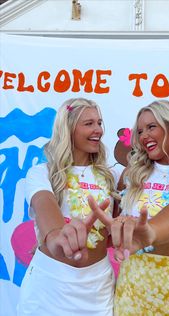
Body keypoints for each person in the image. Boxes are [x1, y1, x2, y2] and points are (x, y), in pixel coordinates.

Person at [88, 99, 169, 315]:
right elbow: (113, 231)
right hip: (134, 290)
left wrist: (150, 232)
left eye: (152, 127)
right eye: (140, 131)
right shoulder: (130, 177)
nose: (144, 136)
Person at [17, 98, 120, 316]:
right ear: (68, 128)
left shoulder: (112, 177)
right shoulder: (42, 173)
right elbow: (44, 204)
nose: (98, 130)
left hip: (97, 288)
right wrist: (56, 236)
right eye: (88, 123)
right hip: (49, 287)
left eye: (99, 123)